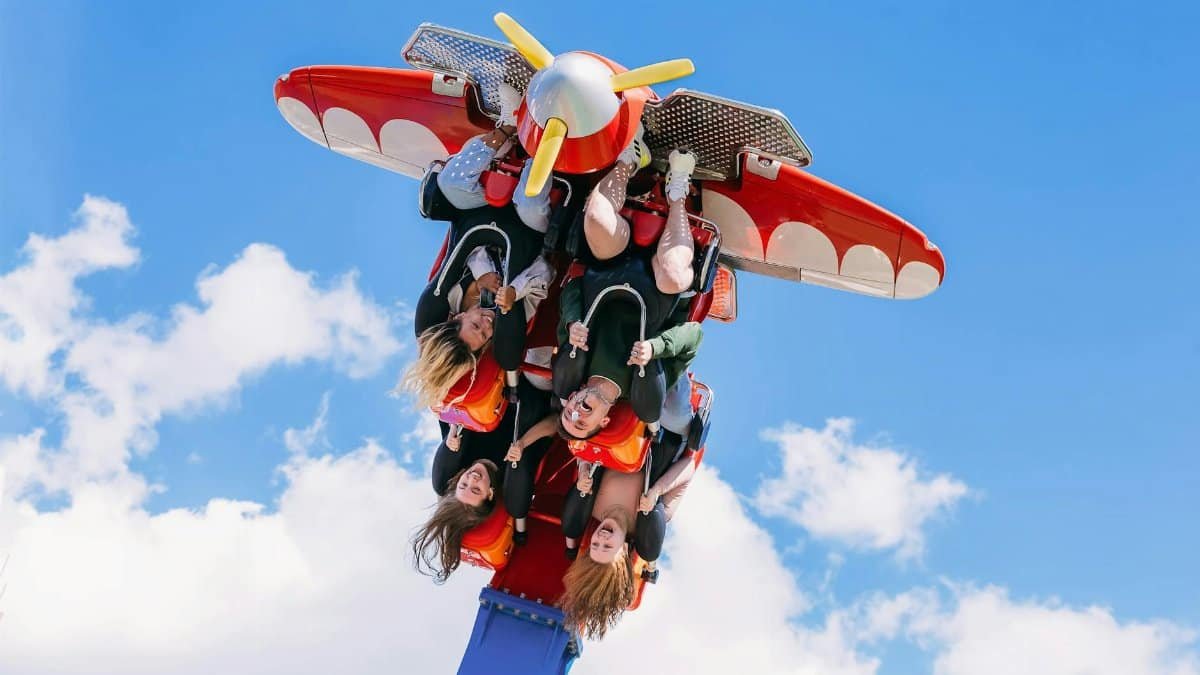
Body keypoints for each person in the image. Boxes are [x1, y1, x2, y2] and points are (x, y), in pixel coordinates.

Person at [402, 83, 556, 409]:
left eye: (476, 324)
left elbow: (465, 245)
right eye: (485, 333)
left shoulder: (447, 296)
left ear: (457, 315)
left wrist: (483, 272)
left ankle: (508, 125)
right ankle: (546, 139)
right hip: (529, 226)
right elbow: (546, 270)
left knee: (451, 182)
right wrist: (513, 291)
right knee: (529, 202)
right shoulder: (508, 317)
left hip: (482, 214)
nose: (486, 324)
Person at [552, 131, 702, 437]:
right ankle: (677, 194)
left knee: (594, 219)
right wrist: (655, 348)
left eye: (568, 414)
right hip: (659, 287)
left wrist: (572, 324)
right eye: (582, 423)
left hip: (609, 268)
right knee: (674, 275)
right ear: (604, 421)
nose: (576, 413)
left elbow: (570, 291)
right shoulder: (639, 390)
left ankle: (629, 160)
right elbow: (693, 335)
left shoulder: (573, 364)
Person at [558, 444, 700, 640]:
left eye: (595, 545)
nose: (601, 538)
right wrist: (657, 491)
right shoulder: (653, 514)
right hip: (664, 434)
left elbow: (586, 448)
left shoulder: (593, 506)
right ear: (623, 551)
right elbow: (689, 466)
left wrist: (583, 470)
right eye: (607, 547)